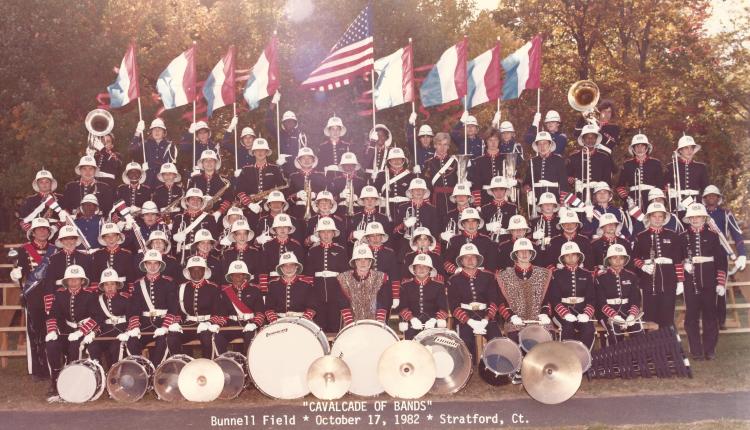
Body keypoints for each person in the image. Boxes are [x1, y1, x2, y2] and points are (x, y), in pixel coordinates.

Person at [10, 218, 57, 382]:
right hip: (33, 295)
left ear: (49, 232)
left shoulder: (55, 249)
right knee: (35, 332)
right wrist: (15, 276)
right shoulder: (24, 250)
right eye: (39, 229)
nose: (43, 232)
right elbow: (19, 273)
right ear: (33, 233)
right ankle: (37, 369)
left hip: (52, 294)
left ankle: (55, 365)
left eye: (45, 229)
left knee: (52, 330)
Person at [679, 203, 727, 360]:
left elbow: (721, 261)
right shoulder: (683, 237)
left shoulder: (713, 236)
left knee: (710, 316)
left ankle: (710, 349)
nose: (695, 219)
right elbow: (677, 258)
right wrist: (683, 264)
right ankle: (696, 350)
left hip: (709, 281)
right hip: (690, 282)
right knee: (691, 317)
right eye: (692, 217)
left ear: (704, 218)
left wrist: (720, 283)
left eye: (698, 216)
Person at [44, 265, 98, 399]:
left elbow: (96, 317)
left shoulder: (90, 295)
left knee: (75, 348)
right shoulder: (60, 294)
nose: (73, 282)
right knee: (51, 345)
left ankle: (73, 381)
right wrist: (51, 331)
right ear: (66, 281)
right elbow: (52, 315)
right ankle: (55, 379)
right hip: (66, 330)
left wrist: (81, 332)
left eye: (77, 279)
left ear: (82, 281)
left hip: (84, 331)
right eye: (70, 279)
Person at [632, 202, 685, 328]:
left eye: (660, 216)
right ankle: (652, 347)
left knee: (667, 319)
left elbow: (678, 259)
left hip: (669, 281)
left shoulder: (673, 235)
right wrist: (642, 266)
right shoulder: (641, 236)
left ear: (664, 218)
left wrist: (680, 281)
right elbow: (633, 258)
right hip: (648, 282)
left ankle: (670, 347)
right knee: (650, 319)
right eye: (654, 216)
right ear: (649, 218)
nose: (657, 219)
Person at [703, 185, 747, 328]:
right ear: (704, 199)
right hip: (703, 255)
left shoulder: (726, 213)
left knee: (720, 287)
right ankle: (708, 320)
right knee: (705, 288)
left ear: (718, 198)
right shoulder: (698, 213)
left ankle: (720, 321)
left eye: (714, 195)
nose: (711, 198)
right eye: (708, 196)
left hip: (721, 254)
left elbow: (737, 234)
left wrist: (742, 254)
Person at [448, 243, 504, 357]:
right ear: (461, 261)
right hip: (465, 319)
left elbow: (494, 301)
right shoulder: (453, 280)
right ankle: (469, 371)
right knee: (466, 345)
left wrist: (486, 320)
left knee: (498, 341)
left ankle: (494, 370)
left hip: (485, 315)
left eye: (473, 257)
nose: (470, 260)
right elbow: (454, 306)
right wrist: (469, 321)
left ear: (478, 260)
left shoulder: (488, 277)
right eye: (466, 257)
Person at [125, 250, 177, 365]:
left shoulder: (168, 282)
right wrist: (135, 327)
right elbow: (134, 308)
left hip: (162, 322)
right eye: (149, 263)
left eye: (155, 263)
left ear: (160, 265)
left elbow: (173, 308)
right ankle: (141, 369)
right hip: (144, 324)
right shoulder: (138, 284)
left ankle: (155, 369)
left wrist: (165, 326)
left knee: (164, 340)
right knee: (131, 341)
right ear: (144, 265)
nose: (152, 266)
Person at [168, 256, 223, 358]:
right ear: (188, 272)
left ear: (204, 271)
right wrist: (176, 323)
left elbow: (218, 312)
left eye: (200, 270)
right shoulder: (182, 288)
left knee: (207, 339)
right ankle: (181, 365)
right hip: (189, 324)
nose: (196, 273)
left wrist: (209, 323)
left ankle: (207, 366)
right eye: (193, 270)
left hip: (207, 325)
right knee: (172, 337)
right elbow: (178, 310)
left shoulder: (213, 288)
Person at [304, 218, 349, 333]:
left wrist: (343, 293)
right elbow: (309, 273)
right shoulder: (313, 251)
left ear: (334, 233)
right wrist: (310, 292)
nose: (326, 234)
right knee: (320, 325)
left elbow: (345, 274)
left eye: (329, 231)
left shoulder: (340, 250)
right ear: (318, 234)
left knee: (335, 324)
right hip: (318, 291)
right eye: (323, 232)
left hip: (335, 290)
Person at [548, 242, 596, 349]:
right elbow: (554, 299)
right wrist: (565, 314)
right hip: (561, 312)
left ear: (578, 256)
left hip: (582, 311)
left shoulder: (587, 274)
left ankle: (584, 357)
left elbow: (591, 298)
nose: (570, 257)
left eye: (573, 254)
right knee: (567, 328)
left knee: (589, 329)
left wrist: (587, 314)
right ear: (563, 258)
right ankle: (567, 358)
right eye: (567, 255)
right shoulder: (556, 275)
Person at [595, 244, 642, 346]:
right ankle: (614, 360)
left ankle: (637, 359)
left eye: (621, 258)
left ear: (625, 260)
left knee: (638, 331)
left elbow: (635, 299)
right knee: (615, 333)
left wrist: (632, 315)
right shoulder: (601, 278)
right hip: (606, 313)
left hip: (627, 311)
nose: (618, 260)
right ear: (609, 260)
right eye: (614, 257)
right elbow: (601, 302)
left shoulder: (631, 276)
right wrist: (614, 316)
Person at [214, 261, 265, 353]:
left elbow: (260, 313)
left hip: (250, 324)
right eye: (234, 275)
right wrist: (218, 324)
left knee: (250, 338)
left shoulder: (255, 290)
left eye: (240, 275)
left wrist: (255, 324)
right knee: (218, 336)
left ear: (245, 276)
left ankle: (247, 364)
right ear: (230, 277)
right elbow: (223, 314)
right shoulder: (225, 292)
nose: (237, 277)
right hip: (231, 324)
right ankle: (223, 362)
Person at [41, 225, 92, 315]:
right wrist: (50, 300)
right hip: (59, 295)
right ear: (61, 241)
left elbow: (90, 278)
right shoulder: (54, 258)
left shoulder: (85, 258)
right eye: (65, 239)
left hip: (80, 294)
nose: (69, 242)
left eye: (72, 238)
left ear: (76, 240)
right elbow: (49, 281)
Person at [337, 244, 392, 326]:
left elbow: (383, 302)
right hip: (351, 324)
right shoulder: (343, 278)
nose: (363, 262)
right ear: (354, 262)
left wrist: (378, 323)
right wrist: (351, 324)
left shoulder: (381, 277)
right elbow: (343, 303)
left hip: (375, 323)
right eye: (359, 260)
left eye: (366, 259)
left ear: (370, 262)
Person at [397, 254, 449, 340]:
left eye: (425, 267)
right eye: (418, 267)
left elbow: (444, 310)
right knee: (411, 345)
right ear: (414, 270)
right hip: (412, 323)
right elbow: (402, 308)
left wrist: (434, 320)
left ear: (429, 269)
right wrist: (412, 319)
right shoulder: (406, 286)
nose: (421, 269)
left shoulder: (438, 286)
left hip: (433, 323)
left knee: (434, 347)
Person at [88, 269, 132, 368]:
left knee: (115, 348)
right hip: (105, 331)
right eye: (106, 285)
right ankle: (99, 373)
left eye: (112, 284)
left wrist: (127, 332)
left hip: (122, 330)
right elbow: (98, 319)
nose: (110, 287)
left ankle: (116, 375)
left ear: (117, 285)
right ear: (102, 287)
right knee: (93, 346)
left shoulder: (125, 298)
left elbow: (131, 317)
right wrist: (93, 333)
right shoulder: (98, 300)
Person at [566, 124, 615, 205]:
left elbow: (607, 180)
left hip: (599, 195)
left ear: (596, 139)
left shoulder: (604, 156)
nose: (590, 140)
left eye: (593, 137)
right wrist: (571, 180)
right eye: (587, 137)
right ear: (583, 139)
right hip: (579, 195)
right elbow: (566, 176)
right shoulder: (574, 157)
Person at [264, 252, 319, 323]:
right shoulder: (273, 285)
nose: (288, 268)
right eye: (285, 266)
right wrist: (276, 322)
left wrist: (303, 321)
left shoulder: (306, 285)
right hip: (279, 321)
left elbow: (312, 308)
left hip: (301, 321)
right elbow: (269, 308)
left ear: (296, 267)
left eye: (292, 265)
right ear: (281, 268)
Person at [616, 134, 664, 213]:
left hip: (651, 199)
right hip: (632, 200)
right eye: (637, 146)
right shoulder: (627, 164)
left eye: (642, 146)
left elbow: (661, 186)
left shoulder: (656, 163)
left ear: (646, 147)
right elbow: (620, 187)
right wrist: (627, 199)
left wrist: (657, 199)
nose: (640, 149)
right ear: (633, 148)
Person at [443, 208, 498, 275]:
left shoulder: (486, 240)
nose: (471, 225)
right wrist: (456, 270)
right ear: (463, 224)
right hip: (460, 277)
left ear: (478, 223)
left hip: (482, 278)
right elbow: (446, 262)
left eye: (474, 221)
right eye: (467, 222)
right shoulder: (455, 240)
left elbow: (491, 265)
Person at [665, 135, 708, 216]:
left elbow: (705, 188)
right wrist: (670, 191)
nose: (689, 151)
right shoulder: (671, 166)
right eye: (686, 148)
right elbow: (665, 186)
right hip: (677, 203)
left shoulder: (701, 167)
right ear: (680, 151)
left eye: (691, 148)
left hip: (696, 203)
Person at [523, 132, 569, 204]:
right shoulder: (532, 161)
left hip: (554, 199)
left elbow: (564, 184)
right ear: (537, 146)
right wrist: (526, 187)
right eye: (540, 144)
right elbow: (527, 181)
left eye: (545, 143)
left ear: (550, 145)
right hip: (537, 200)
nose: (542, 146)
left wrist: (563, 202)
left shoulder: (559, 160)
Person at [130, 118, 177, 188]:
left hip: (163, 178)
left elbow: (172, 163)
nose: (157, 131)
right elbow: (132, 150)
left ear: (164, 132)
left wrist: (151, 164)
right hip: (147, 177)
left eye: (159, 129)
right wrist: (138, 132)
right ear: (151, 132)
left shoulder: (170, 145)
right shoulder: (145, 144)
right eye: (154, 129)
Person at [186, 149, 233, 215]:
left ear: (215, 163)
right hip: (197, 214)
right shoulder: (194, 179)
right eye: (206, 161)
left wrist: (219, 212)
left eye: (212, 160)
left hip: (218, 214)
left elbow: (229, 199)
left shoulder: (224, 181)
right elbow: (188, 198)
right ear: (202, 163)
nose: (209, 163)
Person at [422, 132, 458, 217]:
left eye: (445, 144)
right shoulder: (429, 163)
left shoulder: (455, 162)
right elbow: (427, 185)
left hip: (452, 199)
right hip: (436, 200)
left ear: (448, 146)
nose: (442, 147)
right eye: (439, 144)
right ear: (435, 145)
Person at [285, 147, 326, 220]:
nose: (306, 160)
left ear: (313, 160)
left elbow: (326, 196)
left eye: (309, 158)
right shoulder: (293, 176)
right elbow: (287, 199)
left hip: (316, 212)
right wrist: (297, 195)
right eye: (303, 158)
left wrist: (316, 195)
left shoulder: (321, 176)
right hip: (297, 213)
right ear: (299, 160)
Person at [91, 222, 135, 288]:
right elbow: (95, 277)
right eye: (107, 236)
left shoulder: (126, 254)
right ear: (103, 239)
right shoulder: (98, 255)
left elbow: (131, 277)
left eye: (113, 236)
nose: (110, 239)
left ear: (118, 237)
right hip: (103, 290)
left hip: (122, 289)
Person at [373, 147, 414, 216]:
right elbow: (375, 193)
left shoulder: (411, 176)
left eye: (399, 159)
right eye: (394, 159)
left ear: (403, 160)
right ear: (389, 161)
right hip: (386, 208)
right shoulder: (381, 175)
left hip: (405, 208)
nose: (397, 161)